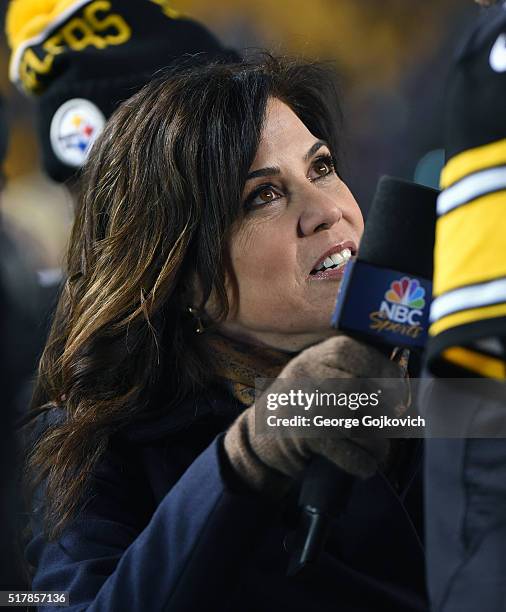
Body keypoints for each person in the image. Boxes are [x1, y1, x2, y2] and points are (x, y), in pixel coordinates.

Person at [25, 56, 427, 611]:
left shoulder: (451, 371)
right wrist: (248, 457)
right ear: (181, 275)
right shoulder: (108, 447)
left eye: (321, 168)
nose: (327, 212)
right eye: (263, 196)